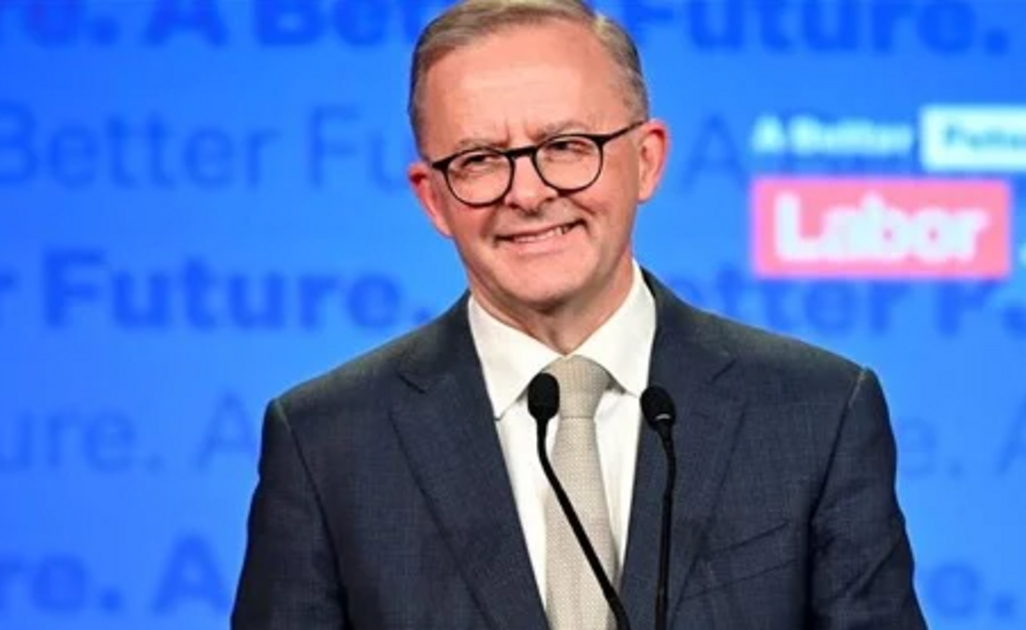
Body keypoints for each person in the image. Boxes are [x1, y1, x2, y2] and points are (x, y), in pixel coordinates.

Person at [231, 0, 928, 628]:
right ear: (433, 198)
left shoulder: (816, 412)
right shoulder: (327, 443)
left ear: (647, 160)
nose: (528, 193)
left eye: (567, 147)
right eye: (480, 160)